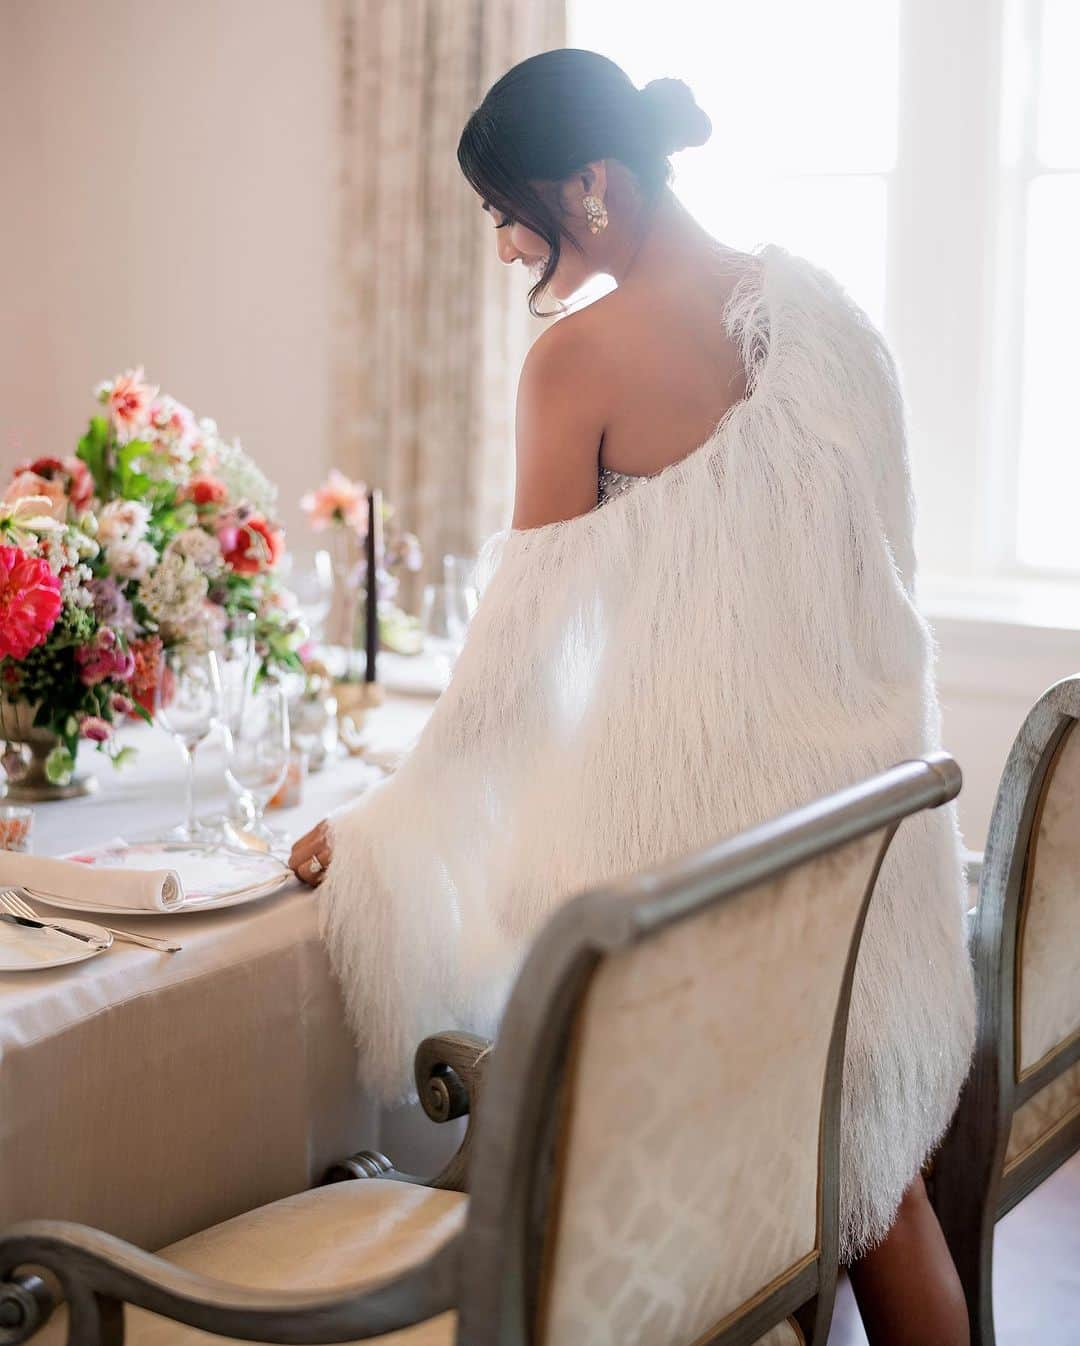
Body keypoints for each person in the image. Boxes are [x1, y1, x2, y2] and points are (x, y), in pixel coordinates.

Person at [290, 48, 975, 1346]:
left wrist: (382, 827)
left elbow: (514, 674)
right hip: (863, 853)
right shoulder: (829, 313)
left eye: (507, 212)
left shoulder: (579, 362)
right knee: (878, 1195)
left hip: (705, 897)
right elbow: (878, 597)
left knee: (721, 1175)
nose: (502, 249)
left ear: (587, 185)